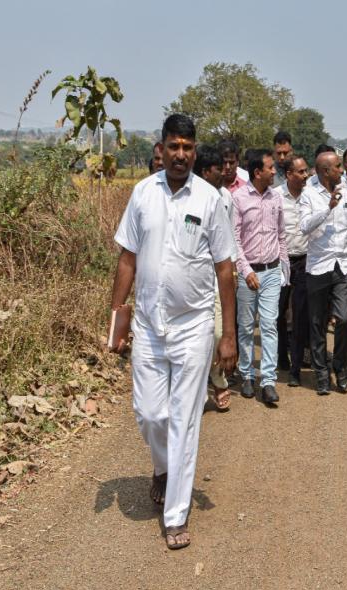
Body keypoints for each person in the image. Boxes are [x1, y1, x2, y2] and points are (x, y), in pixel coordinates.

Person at [111, 114, 237, 550]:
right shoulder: (142, 194)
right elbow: (127, 258)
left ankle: (176, 515)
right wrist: (117, 316)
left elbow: (225, 269)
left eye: (187, 146)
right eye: (173, 145)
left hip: (194, 326)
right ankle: (162, 466)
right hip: (147, 323)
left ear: (195, 151)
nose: (180, 154)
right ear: (161, 149)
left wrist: (228, 335)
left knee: (184, 420)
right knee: (150, 414)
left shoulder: (211, 200)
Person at [232, 149, 288, 405]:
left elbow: (281, 235)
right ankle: (246, 374)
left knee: (269, 324)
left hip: (272, 271)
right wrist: (246, 271)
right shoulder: (239, 199)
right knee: (245, 326)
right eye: (270, 167)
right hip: (248, 274)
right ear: (257, 172)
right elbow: (234, 240)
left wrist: (283, 266)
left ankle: (267, 380)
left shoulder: (276, 198)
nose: (275, 171)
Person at [300, 151, 347, 395]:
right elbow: (304, 227)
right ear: (325, 171)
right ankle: (321, 373)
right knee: (317, 323)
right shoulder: (308, 193)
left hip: (343, 265)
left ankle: (341, 367)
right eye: (337, 167)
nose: (342, 171)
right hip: (318, 266)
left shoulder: (346, 189)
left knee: (344, 319)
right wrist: (327, 208)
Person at [193, 144, 237, 411]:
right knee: (198, 337)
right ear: (206, 171)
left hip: (218, 276)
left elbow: (228, 238)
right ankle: (211, 382)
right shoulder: (189, 198)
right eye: (220, 168)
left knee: (219, 334)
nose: (226, 172)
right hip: (192, 281)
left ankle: (217, 378)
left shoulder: (225, 198)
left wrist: (231, 272)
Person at [277, 155, 312, 387]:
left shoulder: (311, 196)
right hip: (281, 262)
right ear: (289, 175)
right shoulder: (276, 197)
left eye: (306, 171)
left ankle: (296, 367)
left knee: (300, 316)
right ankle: (281, 356)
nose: (305, 175)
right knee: (277, 314)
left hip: (305, 262)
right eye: (300, 172)